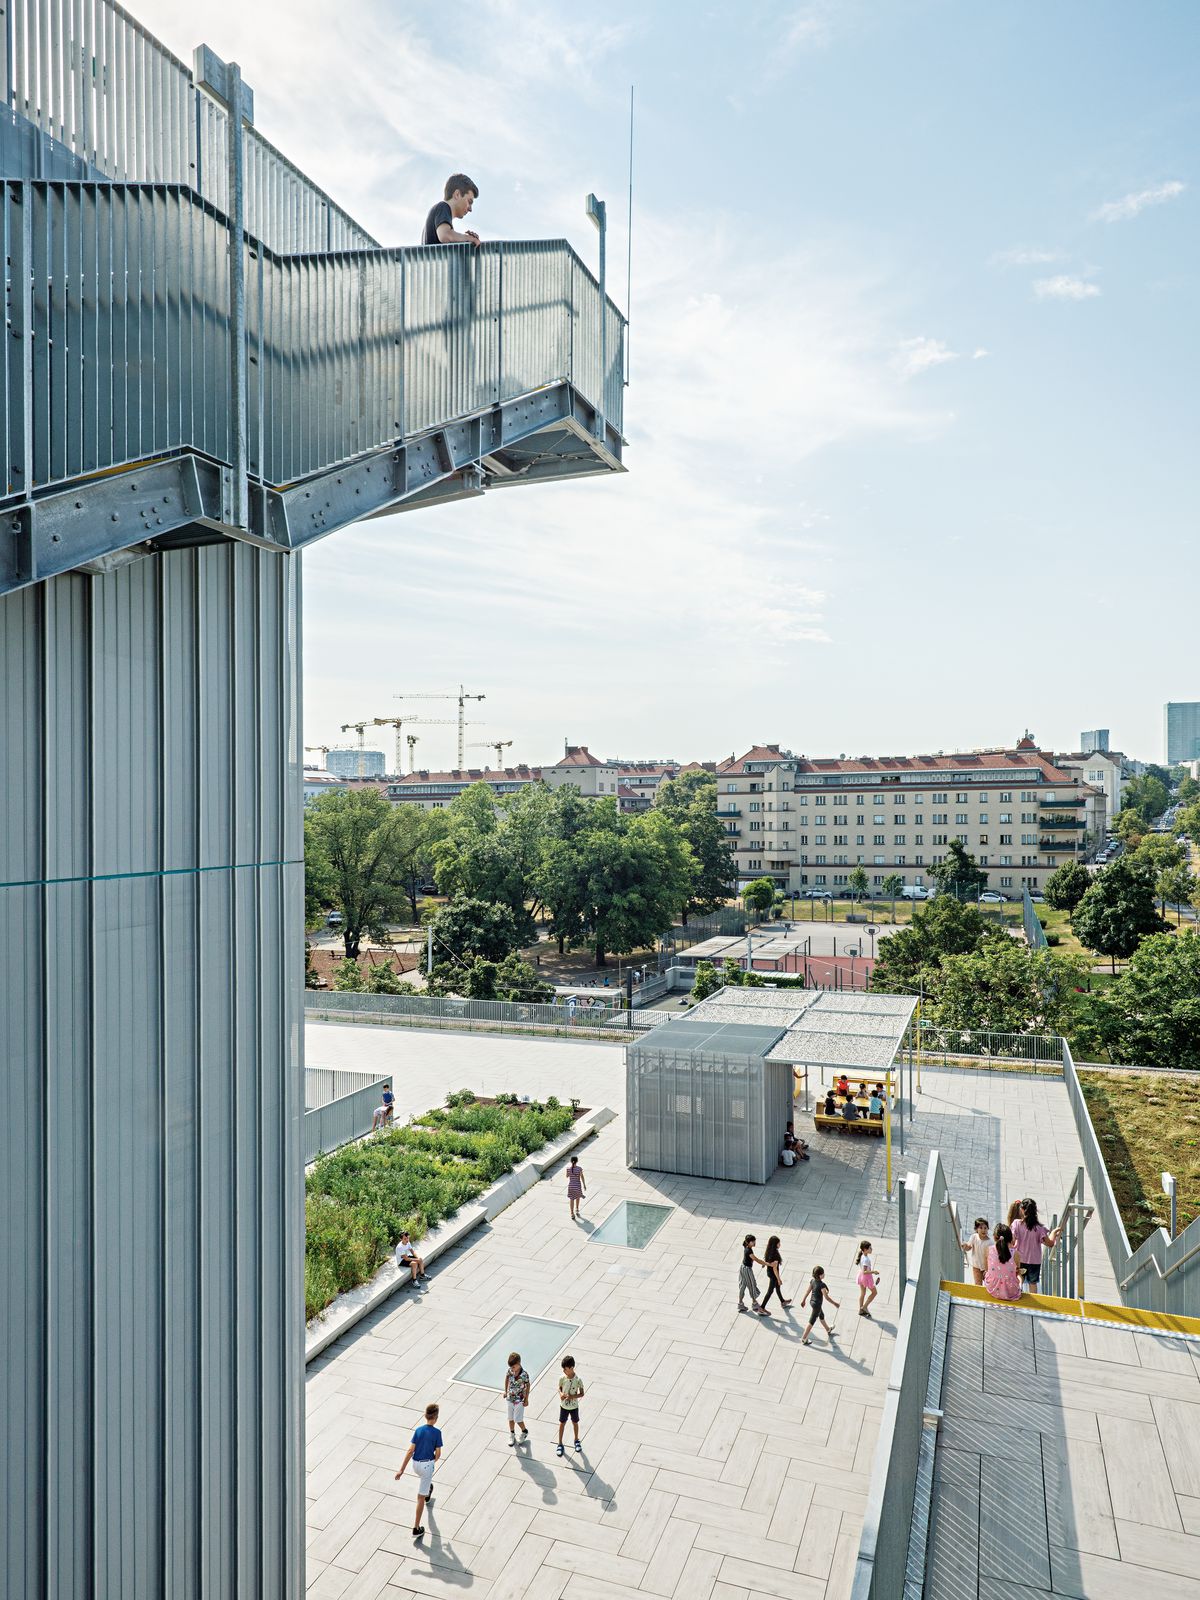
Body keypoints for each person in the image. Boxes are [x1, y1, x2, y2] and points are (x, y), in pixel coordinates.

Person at [395, 1402, 443, 1539]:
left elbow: (410, 1450)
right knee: (420, 1498)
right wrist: (432, 1461)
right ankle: (416, 1528)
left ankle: (428, 1490)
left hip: (415, 1465)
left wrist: (401, 1470)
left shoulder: (418, 1431)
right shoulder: (437, 1433)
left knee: (425, 1483)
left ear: (425, 1416)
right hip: (427, 1466)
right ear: (436, 1418)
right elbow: (438, 1454)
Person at [1011, 1198, 1061, 1294]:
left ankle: (1017, 1293)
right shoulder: (1039, 1228)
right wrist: (1054, 1232)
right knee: (1032, 1283)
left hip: (1019, 1259)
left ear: (1022, 1209)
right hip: (1034, 1261)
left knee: (1019, 1278)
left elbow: (1012, 1241)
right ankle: (1032, 1305)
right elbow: (1050, 1243)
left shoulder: (1016, 1224)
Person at [422, 174, 481, 247]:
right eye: (469, 202)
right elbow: (445, 236)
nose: (470, 209)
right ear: (457, 194)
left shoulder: (440, 212)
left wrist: (466, 240)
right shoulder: (443, 207)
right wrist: (468, 238)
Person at [801, 1265, 840, 1344]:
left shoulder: (812, 1281)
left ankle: (828, 1329)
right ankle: (804, 1338)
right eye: (823, 1273)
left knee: (821, 1315)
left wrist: (804, 1300)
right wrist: (835, 1303)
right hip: (817, 1305)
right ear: (820, 1275)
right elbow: (826, 1297)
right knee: (811, 1321)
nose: (824, 1274)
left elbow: (807, 1291)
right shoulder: (822, 1285)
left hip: (812, 1302)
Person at [983, 1223, 1022, 1301]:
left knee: (986, 1273)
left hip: (992, 1288)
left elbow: (986, 1269)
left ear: (994, 1237)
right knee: (1020, 1277)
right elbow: (1017, 1272)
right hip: (1010, 1292)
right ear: (1010, 1238)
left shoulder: (988, 1250)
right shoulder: (1016, 1254)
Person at [556, 1355, 584, 1455]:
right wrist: (561, 1394)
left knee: (575, 1422)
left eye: (565, 1369)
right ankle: (559, 1443)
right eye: (563, 1369)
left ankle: (576, 1440)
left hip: (574, 1407)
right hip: (563, 1406)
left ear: (571, 1368)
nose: (564, 1371)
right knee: (562, 1423)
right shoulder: (562, 1378)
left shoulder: (578, 1380)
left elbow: (582, 1393)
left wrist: (572, 1397)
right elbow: (559, 1388)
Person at [503, 1352, 530, 1446]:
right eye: (511, 1367)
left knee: (518, 1419)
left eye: (514, 1367)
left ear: (519, 1363)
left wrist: (526, 1399)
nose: (512, 1369)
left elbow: (528, 1385)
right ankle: (512, 1434)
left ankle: (524, 1431)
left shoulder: (524, 1374)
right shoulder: (510, 1371)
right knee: (510, 1418)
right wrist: (505, 1391)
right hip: (510, 1398)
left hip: (519, 1400)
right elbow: (506, 1378)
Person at [760, 1235, 792, 1313]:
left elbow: (766, 1259)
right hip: (773, 1275)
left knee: (777, 1288)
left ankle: (783, 1302)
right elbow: (775, 1269)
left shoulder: (769, 1250)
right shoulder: (775, 1255)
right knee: (770, 1291)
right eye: (778, 1243)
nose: (780, 1245)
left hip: (769, 1272)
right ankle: (762, 1308)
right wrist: (779, 1279)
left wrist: (764, 1264)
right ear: (775, 1244)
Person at [738, 1234, 769, 1314]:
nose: (754, 1242)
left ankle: (740, 1304)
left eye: (754, 1241)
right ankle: (754, 1304)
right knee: (752, 1285)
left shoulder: (746, 1246)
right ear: (748, 1242)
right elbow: (756, 1260)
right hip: (747, 1270)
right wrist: (766, 1263)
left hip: (743, 1268)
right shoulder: (749, 1251)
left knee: (743, 1285)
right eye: (752, 1241)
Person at [962, 1217, 990, 1286]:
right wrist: (965, 1246)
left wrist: (987, 1269)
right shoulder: (974, 1237)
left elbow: (990, 1256)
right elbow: (969, 1246)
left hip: (987, 1267)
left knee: (988, 1285)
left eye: (985, 1228)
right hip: (976, 1266)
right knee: (978, 1284)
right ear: (976, 1229)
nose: (983, 1230)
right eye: (981, 1228)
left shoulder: (990, 1242)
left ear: (988, 1229)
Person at [856, 1241, 879, 1317]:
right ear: (865, 1249)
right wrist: (874, 1271)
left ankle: (860, 1310)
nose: (871, 1249)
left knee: (862, 1293)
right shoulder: (866, 1259)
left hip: (861, 1277)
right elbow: (865, 1271)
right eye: (870, 1248)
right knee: (874, 1293)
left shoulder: (862, 1255)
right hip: (866, 1278)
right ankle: (864, 1307)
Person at [566, 1155, 586, 1220]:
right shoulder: (579, 1168)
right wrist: (584, 1185)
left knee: (571, 1199)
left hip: (571, 1186)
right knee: (577, 1197)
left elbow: (567, 1176)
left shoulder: (568, 1169)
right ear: (577, 1161)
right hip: (577, 1185)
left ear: (571, 1161)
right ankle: (577, 1209)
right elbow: (581, 1177)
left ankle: (572, 1213)